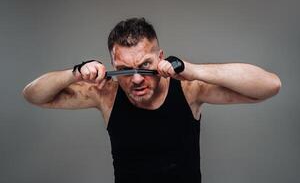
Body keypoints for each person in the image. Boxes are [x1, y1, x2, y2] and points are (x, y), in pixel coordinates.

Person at [22, 17, 281, 183]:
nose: (135, 79)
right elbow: (33, 95)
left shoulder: (190, 89)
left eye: (145, 66)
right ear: (112, 65)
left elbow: (270, 86)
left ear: (160, 58)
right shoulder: (105, 93)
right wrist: (75, 73)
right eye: (124, 69)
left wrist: (192, 70)